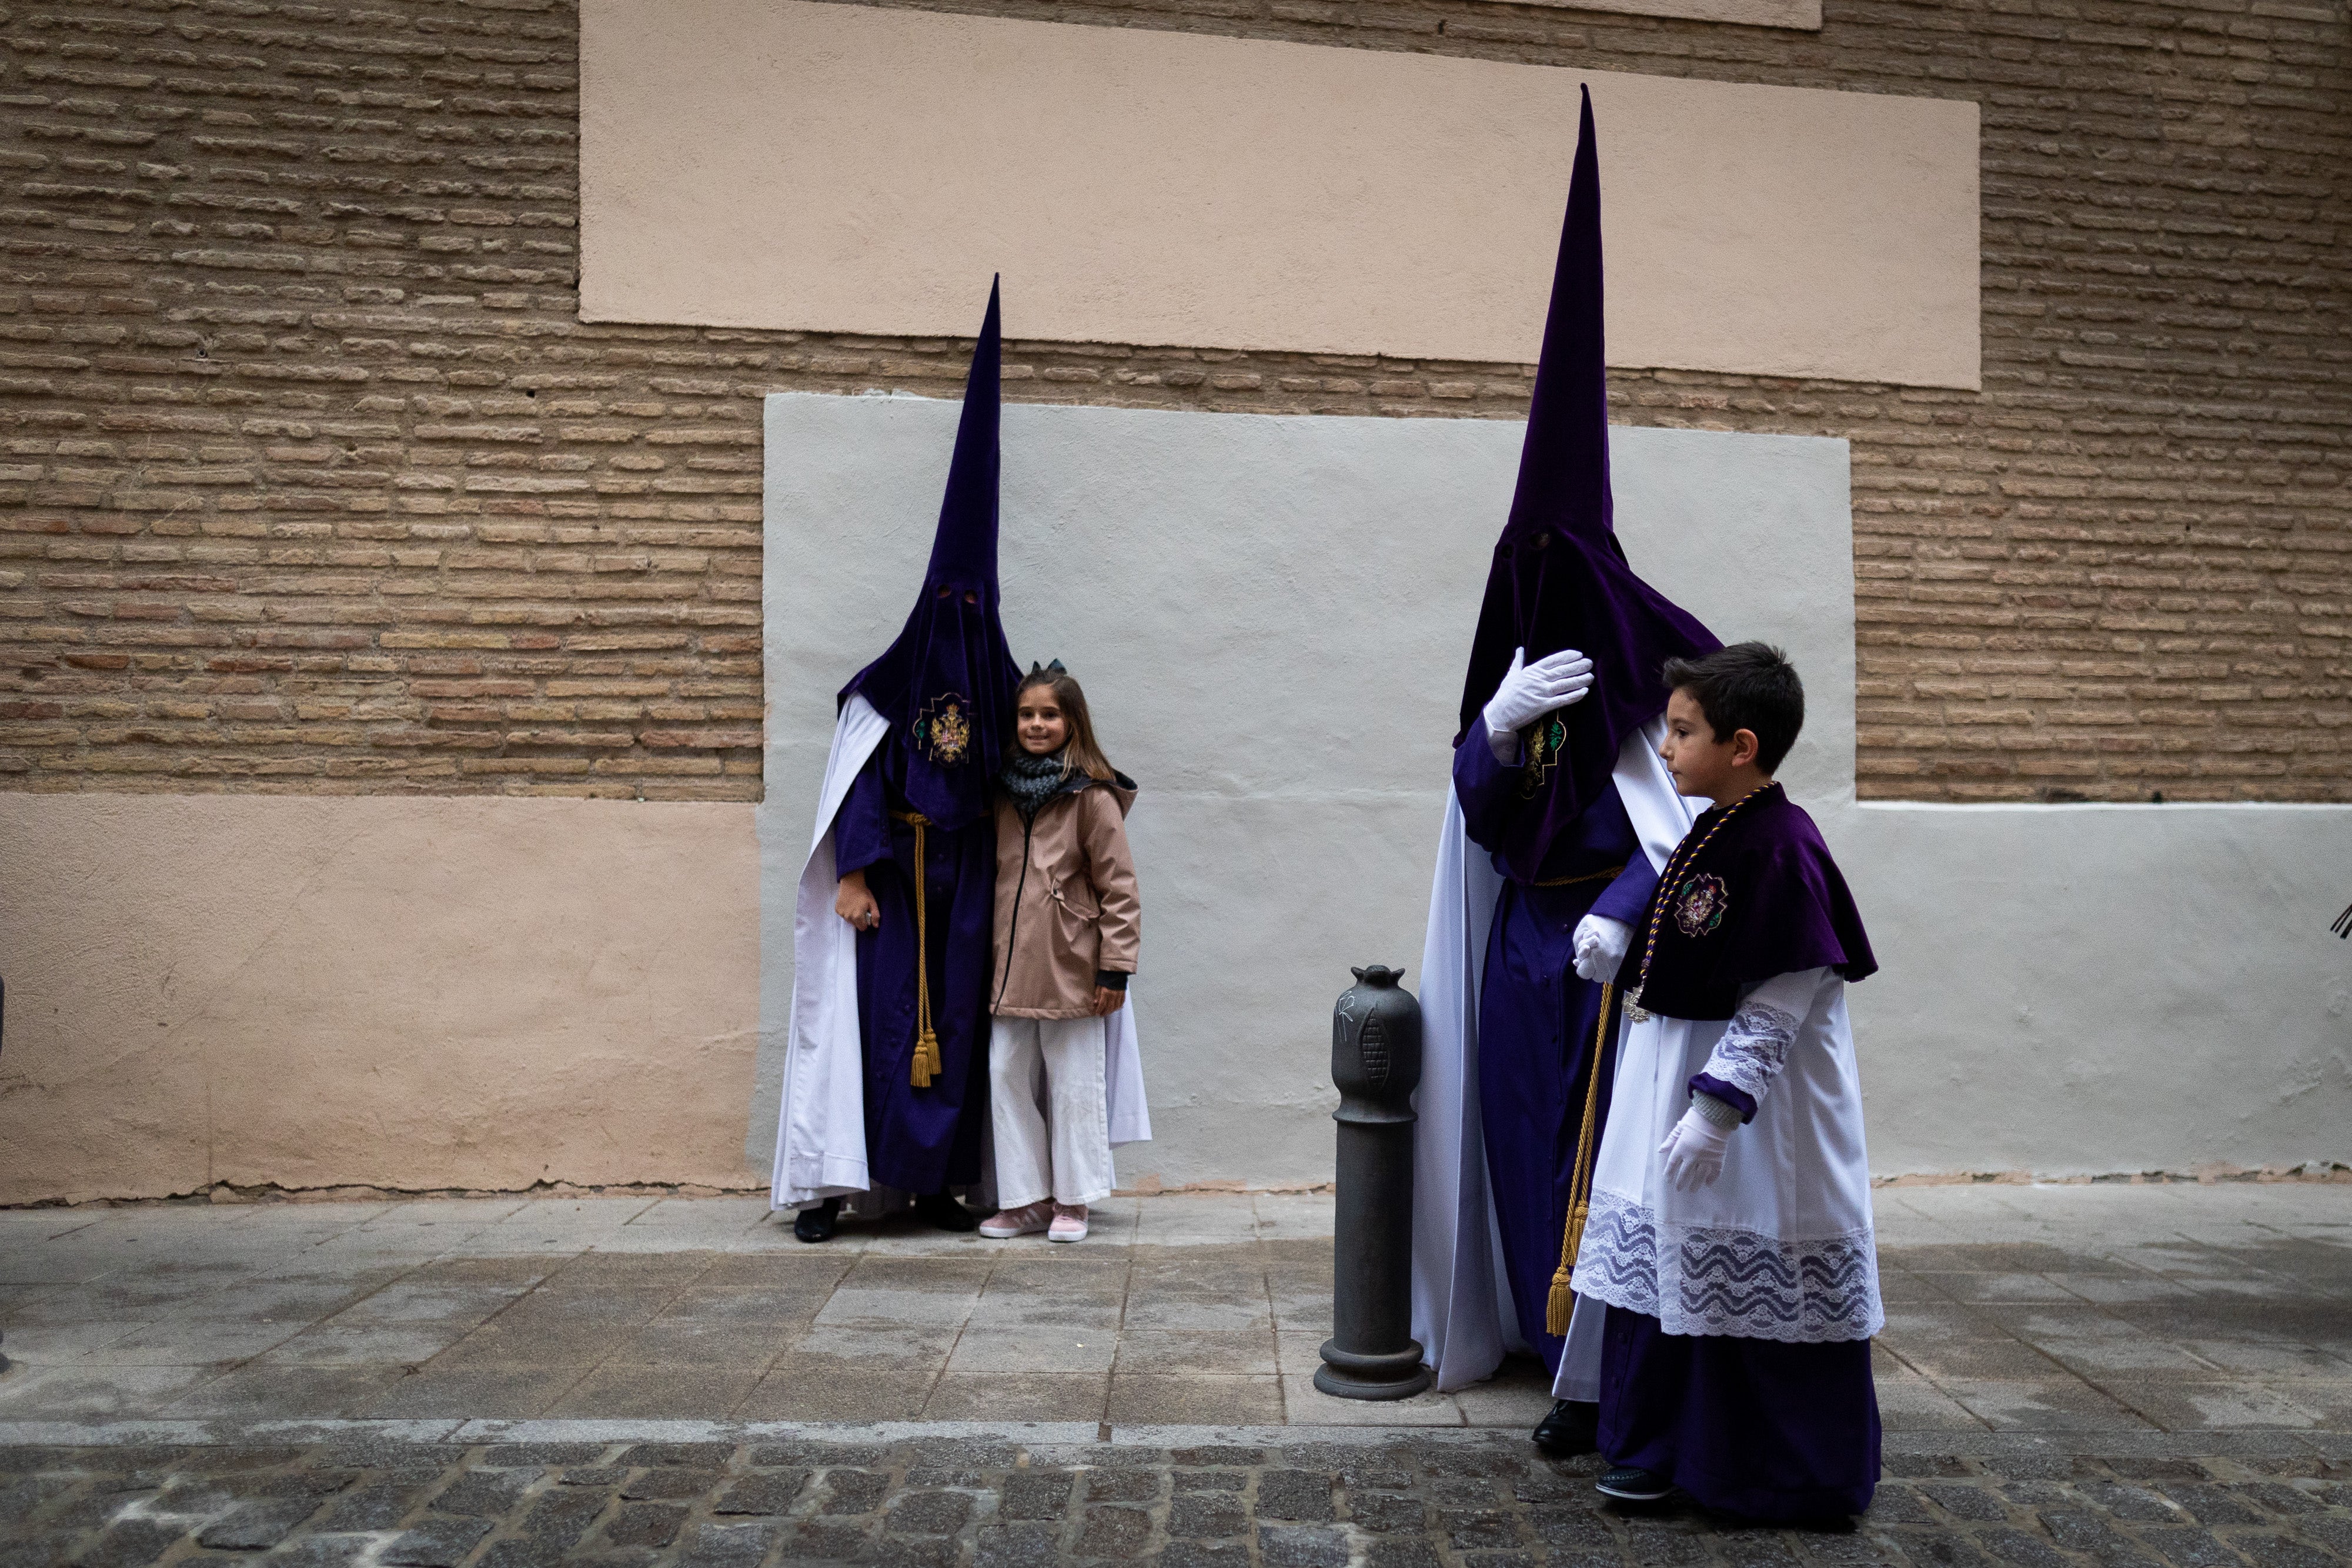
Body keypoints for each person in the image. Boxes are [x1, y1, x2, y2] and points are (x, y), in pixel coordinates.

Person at [1410, 85, 1718, 1459]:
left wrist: (1633, 895)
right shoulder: (1519, 665)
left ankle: (1605, 1373)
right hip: (1527, 944)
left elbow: (1713, 811)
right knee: (1523, 1143)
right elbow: (1475, 814)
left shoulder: (1671, 663)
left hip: (1623, 949)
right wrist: (1491, 725)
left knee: (1610, 1158)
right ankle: (1545, 1346)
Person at [1568, 641, 1883, 1520]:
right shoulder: (1716, 824)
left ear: (1741, 745)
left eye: (1681, 731)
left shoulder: (1783, 845)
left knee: (1743, 1251)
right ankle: (1664, 1446)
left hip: (1758, 1122)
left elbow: (1786, 990)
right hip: (1678, 1082)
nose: (1664, 749)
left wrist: (1716, 1110)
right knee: (1673, 1261)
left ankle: (1775, 1470)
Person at [769, 280, 1020, 1242]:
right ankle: (841, 1184)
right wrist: (856, 870)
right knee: (876, 1036)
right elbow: (862, 770)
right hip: (899, 886)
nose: (960, 622)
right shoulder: (887, 687)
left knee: (955, 1036)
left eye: (974, 606)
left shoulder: (1003, 686)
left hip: (967, 892)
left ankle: (938, 1186)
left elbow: (1030, 776)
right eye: (946, 603)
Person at [977, 663, 1151, 1243]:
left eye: (1049, 714)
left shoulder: (1090, 796)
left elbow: (1119, 888)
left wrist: (1115, 968)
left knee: (1074, 1081)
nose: (1036, 724)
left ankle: (1073, 1200)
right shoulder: (1001, 792)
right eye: (1027, 714)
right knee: (1004, 1072)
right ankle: (1026, 1197)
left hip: (1071, 963)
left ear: (1072, 722)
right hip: (1008, 963)